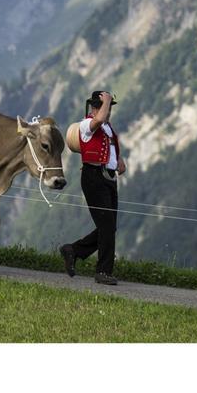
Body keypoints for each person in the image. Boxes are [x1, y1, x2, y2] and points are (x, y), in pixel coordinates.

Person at [60, 90, 126, 285]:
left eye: (108, 107)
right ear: (94, 108)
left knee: (109, 226)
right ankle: (103, 271)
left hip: (108, 177)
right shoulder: (87, 125)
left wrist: (118, 161)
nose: (107, 111)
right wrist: (105, 101)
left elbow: (110, 145)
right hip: (93, 177)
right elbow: (99, 120)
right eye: (103, 106)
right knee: (106, 226)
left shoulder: (107, 128)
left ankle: (73, 250)